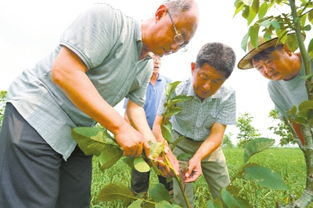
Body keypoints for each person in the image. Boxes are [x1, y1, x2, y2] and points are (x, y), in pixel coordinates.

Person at [0, 1, 199, 207]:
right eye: (178, 36)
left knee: (75, 202)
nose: (176, 47)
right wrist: (119, 127)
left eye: (183, 44)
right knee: (31, 202)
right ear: (160, 13)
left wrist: (157, 148)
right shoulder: (108, 20)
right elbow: (64, 71)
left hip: (77, 134)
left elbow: (135, 108)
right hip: (37, 116)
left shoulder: (146, 65)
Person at [153, 42, 237, 207]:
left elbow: (216, 135)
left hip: (209, 148)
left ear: (225, 80)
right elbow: (158, 125)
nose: (207, 86)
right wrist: (167, 151)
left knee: (225, 194)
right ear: (193, 68)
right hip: (181, 144)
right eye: (203, 77)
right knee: (182, 196)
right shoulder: (176, 90)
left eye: (216, 81)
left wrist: (198, 157)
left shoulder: (228, 96)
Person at [237, 33, 312, 145]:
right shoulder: (275, 87)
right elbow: (296, 122)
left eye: (269, 61)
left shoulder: (310, 59)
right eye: (260, 68)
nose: (267, 70)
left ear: (287, 50)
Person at [124, 54, 173, 194]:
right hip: (142, 139)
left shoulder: (168, 83)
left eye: (159, 58)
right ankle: (139, 201)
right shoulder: (138, 83)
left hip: (161, 139)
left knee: (167, 177)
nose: (156, 61)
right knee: (139, 180)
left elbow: (172, 113)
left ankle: (168, 202)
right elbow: (128, 114)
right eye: (153, 58)